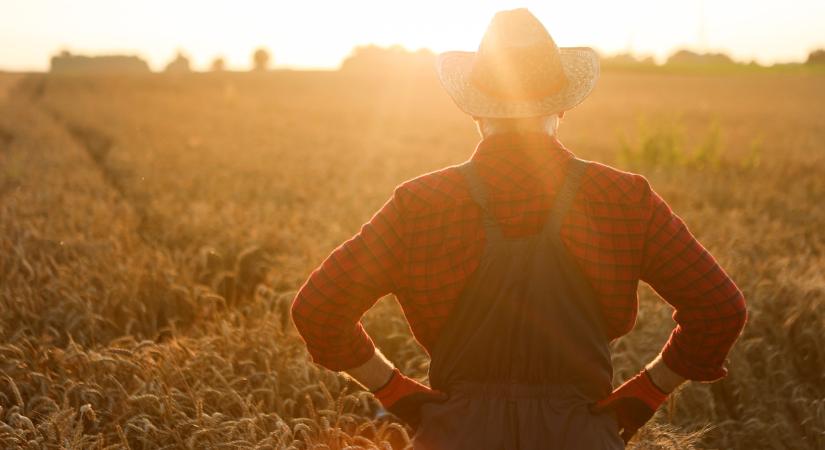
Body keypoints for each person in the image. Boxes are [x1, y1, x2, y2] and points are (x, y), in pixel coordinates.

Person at [291, 8, 747, 449]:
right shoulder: (624, 198)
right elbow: (720, 307)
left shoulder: (420, 203)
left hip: (454, 435)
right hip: (581, 433)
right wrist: (644, 396)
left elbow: (318, 308)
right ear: (564, 107)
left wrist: (396, 394)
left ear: (473, 110)